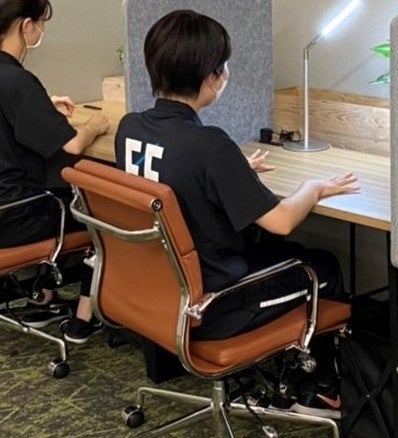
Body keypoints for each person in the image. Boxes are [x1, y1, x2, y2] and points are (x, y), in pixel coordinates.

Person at [114, 10, 359, 418]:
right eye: (223, 65)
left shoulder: (130, 128)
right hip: (215, 306)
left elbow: (170, 174)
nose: (226, 74)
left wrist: (232, 172)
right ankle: (316, 391)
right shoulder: (210, 145)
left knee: (268, 250)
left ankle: (286, 375)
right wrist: (312, 188)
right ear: (211, 76)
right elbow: (281, 221)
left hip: (157, 291)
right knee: (323, 265)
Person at [0, 0, 109, 344]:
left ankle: (43, 296)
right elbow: (73, 145)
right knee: (106, 215)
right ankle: (84, 319)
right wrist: (94, 126)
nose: (41, 31)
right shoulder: (16, 80)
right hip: (17, 216)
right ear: (25, 26)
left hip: (7, 208)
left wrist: (42, 108)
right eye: (41, 23)